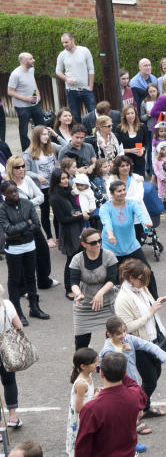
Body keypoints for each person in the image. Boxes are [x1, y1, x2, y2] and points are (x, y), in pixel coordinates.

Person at [114, 258, 166, 421]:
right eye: (142, 279)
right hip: (139, 345)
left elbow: (148, 305)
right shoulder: (122, 299)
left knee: (156, 373)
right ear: (131, 278)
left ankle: (144, 407)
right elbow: (128, 327)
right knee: (150, 381)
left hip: (153, 340)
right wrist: (151, 312)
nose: (145, 283)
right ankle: (135, 411)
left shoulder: (141, 289)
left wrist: (157, 301)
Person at [98, 317, 166, 435]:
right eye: (119, 333)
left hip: (132, 382)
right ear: (109, 334)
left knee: (133, 404)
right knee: (124, 409)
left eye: (124, 331)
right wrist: (124, 353)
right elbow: (115, 368)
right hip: (118, 385)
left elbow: (149, 345)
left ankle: (137, 418)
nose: (123, 335)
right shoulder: (108, 351)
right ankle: (131, 428)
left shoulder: (128, 339)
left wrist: (165, 358)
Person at [74, 351, 148, 457]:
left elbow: (83, 447)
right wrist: (121, 371)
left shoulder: (91, 408)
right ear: (125, 373)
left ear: (101, 373)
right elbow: (136, 387)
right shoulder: (135, 395)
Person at [0, 179, 50, 325]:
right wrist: (25, 224)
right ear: (4, 194)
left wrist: (19, 230)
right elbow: (8, 230)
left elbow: (36, 225)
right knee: (14, 280)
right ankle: (17, 312)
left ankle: (34, 308)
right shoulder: (2, 209)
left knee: (31, 277)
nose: (13, 194)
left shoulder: (27, 204)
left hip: (29, 246)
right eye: (9, 193)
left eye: (15, 191)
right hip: (14, 250)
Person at [99, 180, 157, 297]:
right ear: (112, 193)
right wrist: (110, 234)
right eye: (119, 191)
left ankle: (154, 298)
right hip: (111, 247)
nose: (122, 193)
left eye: (124, 190)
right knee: (113, 278)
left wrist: (146, 223)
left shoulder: (132, 204)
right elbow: (107, 222)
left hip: (131, 245)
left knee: (147, 271)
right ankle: (113, 304)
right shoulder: (105, 208)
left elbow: (141, 214)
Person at [69, 226, 118, 348]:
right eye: (93, 243)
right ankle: (81, 366)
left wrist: (100, 293)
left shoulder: (109, 256)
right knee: (81, 343)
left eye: (99, 241)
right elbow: (73, 282)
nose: (97, 244)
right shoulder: (77, 259)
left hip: (107, 302)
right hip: (85, 304)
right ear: (84, 244)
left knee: (113, 339)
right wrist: (79, 294)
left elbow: (113, 279)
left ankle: (112, 365)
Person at [50, 168, 84, 296]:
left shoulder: (68, 191)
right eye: (62, 178)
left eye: (66, 178)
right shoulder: (54, 198)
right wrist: (80, 216)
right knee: (71, 260)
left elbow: (73, 208)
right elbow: (62, 220)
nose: (66, 181)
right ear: (56, 181)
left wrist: (77, 213)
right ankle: (69, 289)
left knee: (80, 258)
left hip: (78, 228)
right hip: (69, 232)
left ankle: (78, 284)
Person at [23, 127, 59, 245]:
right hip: (42, 188)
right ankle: (49, 237)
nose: (46, 136)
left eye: (47, 134)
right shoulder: (28, 153)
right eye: (43, 134)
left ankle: (58, 236)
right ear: (36, 136)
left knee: (57, 211)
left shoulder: (51, 146)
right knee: (45, 211)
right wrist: (37, 176)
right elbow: (25, 171)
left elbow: (66, 147)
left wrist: (55, 134)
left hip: (54, 185)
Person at [8, 52, 45, 151]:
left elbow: (33, 81)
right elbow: (10, 91)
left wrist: (38, 93)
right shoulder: (15, 74)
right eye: (31, 59)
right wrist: (26, 99)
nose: (34, 60)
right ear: (24, 61)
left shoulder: (31, 69)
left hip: (34, 104)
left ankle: (43, 147)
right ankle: (27, 151)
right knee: (24, 130)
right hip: (22, 107)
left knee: (41, 126)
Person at [56, 33, 97, 120]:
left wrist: (91, 86)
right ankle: (78, 133)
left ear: (73, 40)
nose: (64, 45)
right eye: (63, 43)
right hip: (71, 91)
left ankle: (95, 133)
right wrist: (67, 79)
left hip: (86, 89)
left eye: (66, 42)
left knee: (93, 114)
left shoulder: (84, 51)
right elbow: (58, 71)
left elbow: (91, 69)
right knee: (75, 116)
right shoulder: (62, 55)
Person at [0, 283, 24, 429]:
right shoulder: (7, 304)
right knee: (9, 382)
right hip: (7, 350)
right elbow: (19, 326)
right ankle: (13, 417)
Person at [67, 347, 98, 457]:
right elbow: (78, 408)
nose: (96, 364)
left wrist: (94, 391)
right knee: (81, 442)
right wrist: (95, 398)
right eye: (93, 362)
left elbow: (87, 395)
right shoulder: (81, 383)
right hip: (81, 418)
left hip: (88, 414)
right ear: (83, 366)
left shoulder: (88, 375)